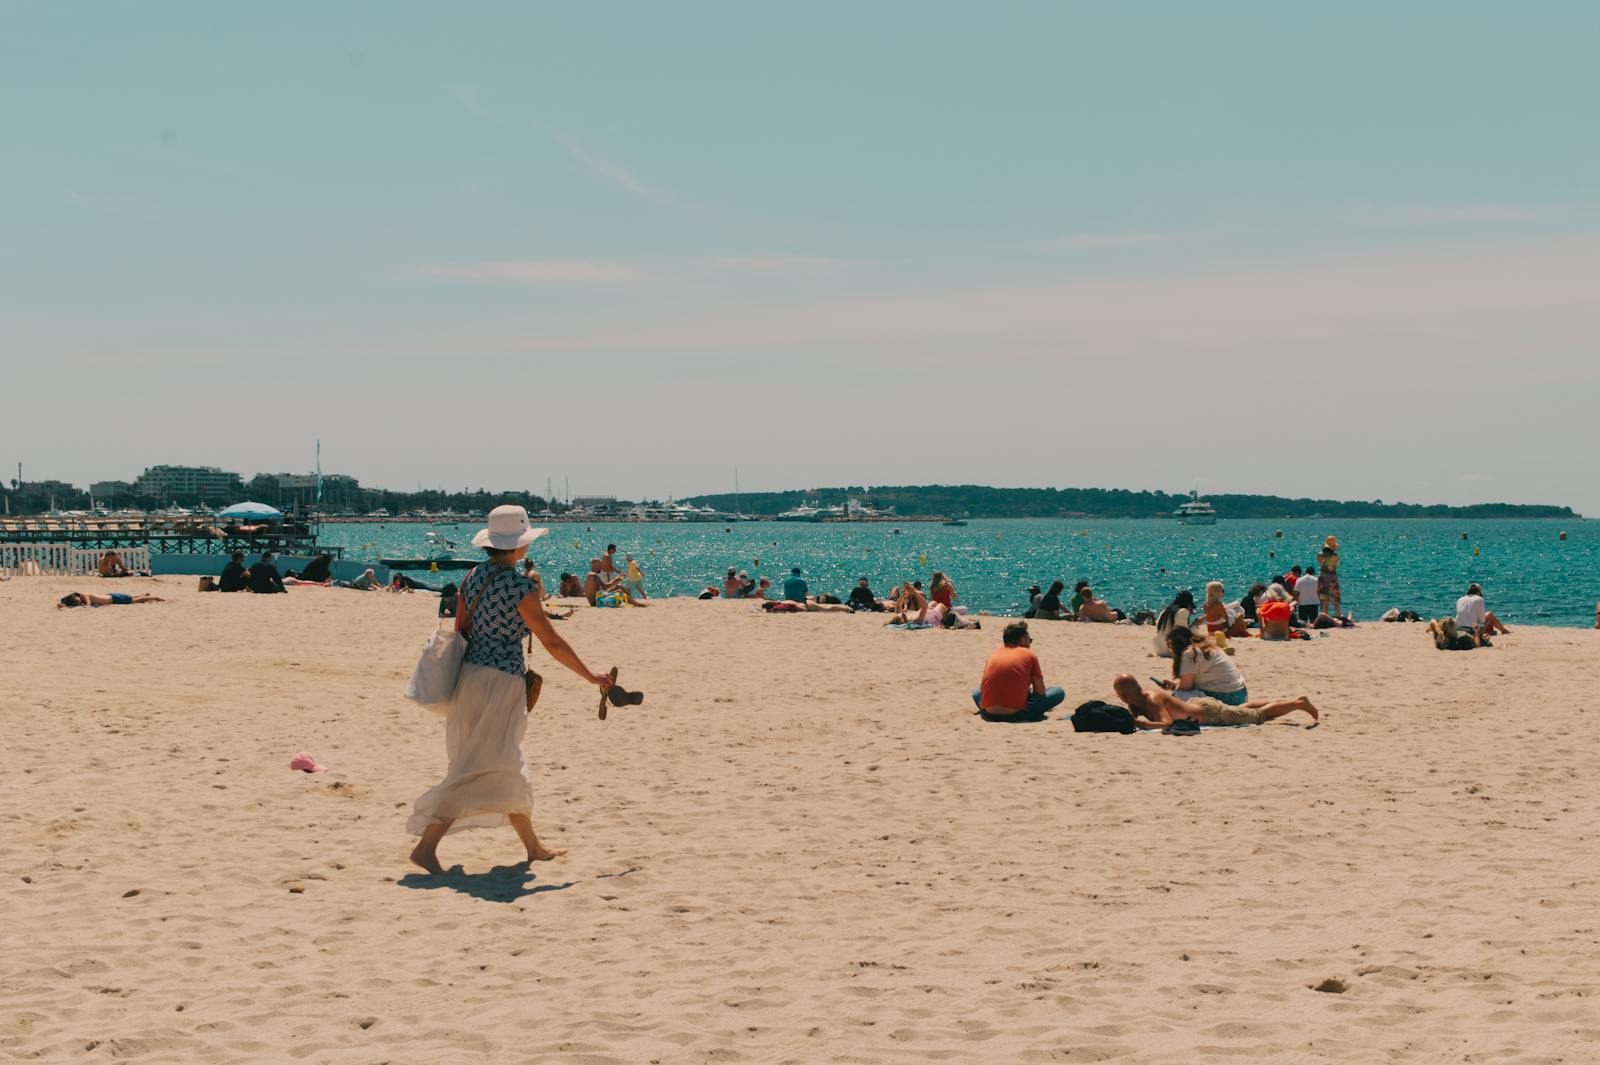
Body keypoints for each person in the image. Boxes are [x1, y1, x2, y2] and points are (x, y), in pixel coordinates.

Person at [408, 505, 615, 875]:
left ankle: (533, 847)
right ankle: (426, 847)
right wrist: (589, 675)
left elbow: (461, 625)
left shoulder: (473, 576)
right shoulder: (519, 585)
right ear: (518, 545)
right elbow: (550, 639)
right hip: (500, 680)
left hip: (470, 675)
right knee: (481, 763)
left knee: (505, 761)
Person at [1110, 675, 1318, 728]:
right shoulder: (1136, 700)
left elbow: (1167, 724)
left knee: (1259, 716)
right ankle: (1280, 701)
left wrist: (1139, 723)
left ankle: (1299, 703)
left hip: (1210, 714)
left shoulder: (1153, 699)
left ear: (1124, 695)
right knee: (1238, 710)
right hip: (1201, 705)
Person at [970, 622, 1066, 722]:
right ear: (1023, 640)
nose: (1030, 644)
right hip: (1016, 715)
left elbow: (984, 687)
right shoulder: (1029, 654)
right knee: (1058, 692)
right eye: (1030, 640)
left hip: (988, 714)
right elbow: (1040, 692)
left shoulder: (994, 654)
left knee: (976, 691)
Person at [1165, 627, 1249, 704]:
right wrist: (1173, 686)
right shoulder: (1210, 647)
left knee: (1177, 696)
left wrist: (1175, 690)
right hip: (1241, 695)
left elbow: (1185, 687)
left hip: (1224, 697)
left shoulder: (1190, 653)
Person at [1153, 590, 1196, 656]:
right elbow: (1185, 633)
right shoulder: (1183, 612)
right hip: (1170, 649)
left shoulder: (1165, 611)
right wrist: (1196, 623)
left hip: (1159, 648)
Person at [1317, 536, 1342, 616]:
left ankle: (1325, 616)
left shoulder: (1320, 555)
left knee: (1324, 601)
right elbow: (1335, 565)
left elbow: (1320, 561)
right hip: (1332, 577)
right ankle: (1338, 616)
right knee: (1336, 600)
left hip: (1323, 577)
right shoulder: (1336, 556)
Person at [58, 591, 165, 608]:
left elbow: (89, 605)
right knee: (131, 598)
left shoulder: (85, 595)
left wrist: (83, 606)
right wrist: (63, 605)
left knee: (135, 600)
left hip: (113, 599)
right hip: (111, 598)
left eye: (77, 601)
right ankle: (145, 594)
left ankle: (155, 598)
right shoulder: (82, 597)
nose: (78, 602)